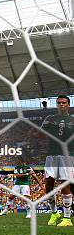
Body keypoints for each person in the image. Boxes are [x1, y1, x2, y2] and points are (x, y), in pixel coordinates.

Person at [41, 95, 73, 227]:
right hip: (52, 155)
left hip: (68, 155)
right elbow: (41, 134)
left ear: (68, 104)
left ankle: (67, 218)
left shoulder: (73, 120)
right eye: (59, 103)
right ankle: (54, 213)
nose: (61, 104)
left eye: (64, 102)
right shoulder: (50, 119)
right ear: (56, 104)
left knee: (65, 185)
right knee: (48, 185)